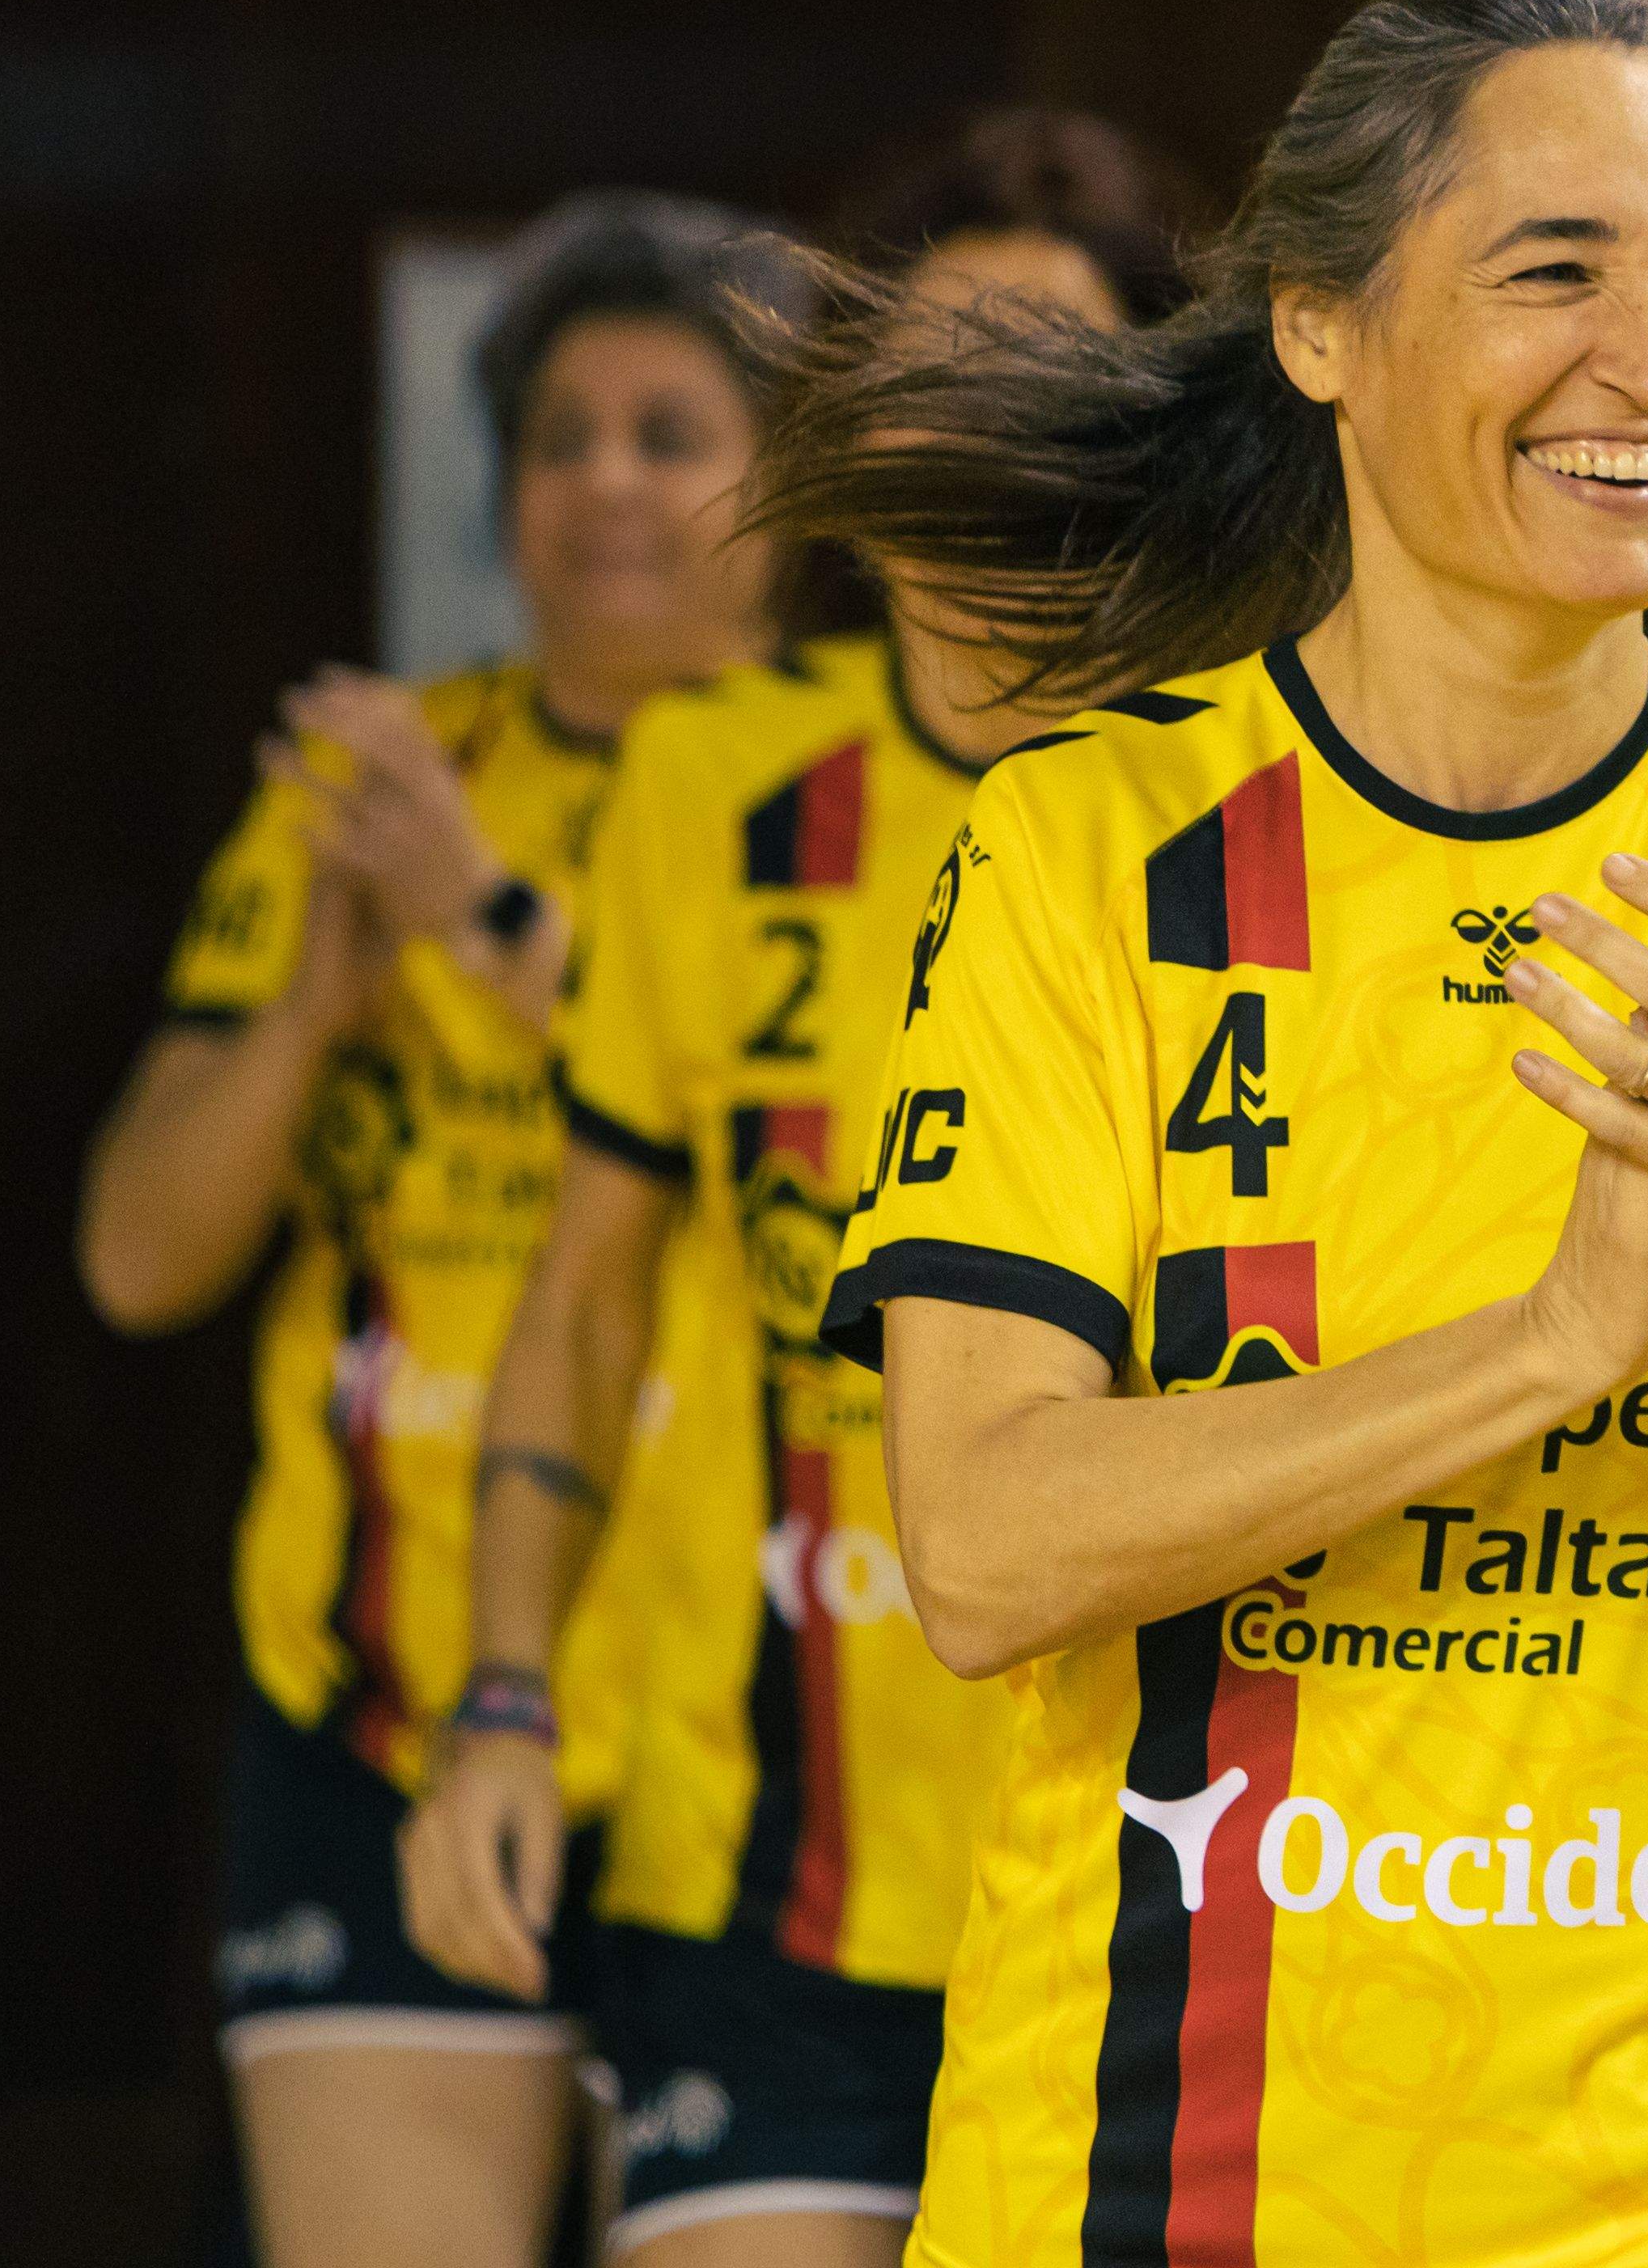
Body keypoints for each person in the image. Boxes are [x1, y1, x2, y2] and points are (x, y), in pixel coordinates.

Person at [773, 0, 1648, 2268]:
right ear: (1322, 327)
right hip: (1204, 2192)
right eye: (1553, 271)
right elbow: (980, 1548)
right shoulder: (1087, 848)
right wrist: (1540, 1350)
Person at [399, 113, 1176, 2262]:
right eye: (940, 370)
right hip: (771, 1888)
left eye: (1053, 374)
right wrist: (503, 1697)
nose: (986, 425)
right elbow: (583, 1300)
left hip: (1167, 1884)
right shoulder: (716, 786)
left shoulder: (1255, 795)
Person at [81, 193, 794, 2268]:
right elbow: (137, 1257)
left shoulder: (845, 782)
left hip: (764, 1734)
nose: (606, 480)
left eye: (670, 432)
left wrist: (484, 916)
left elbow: (809, 1164)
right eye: (558, 436)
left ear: (794, 486)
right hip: (375, 1699)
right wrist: (318, 996)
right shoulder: (372, 787)